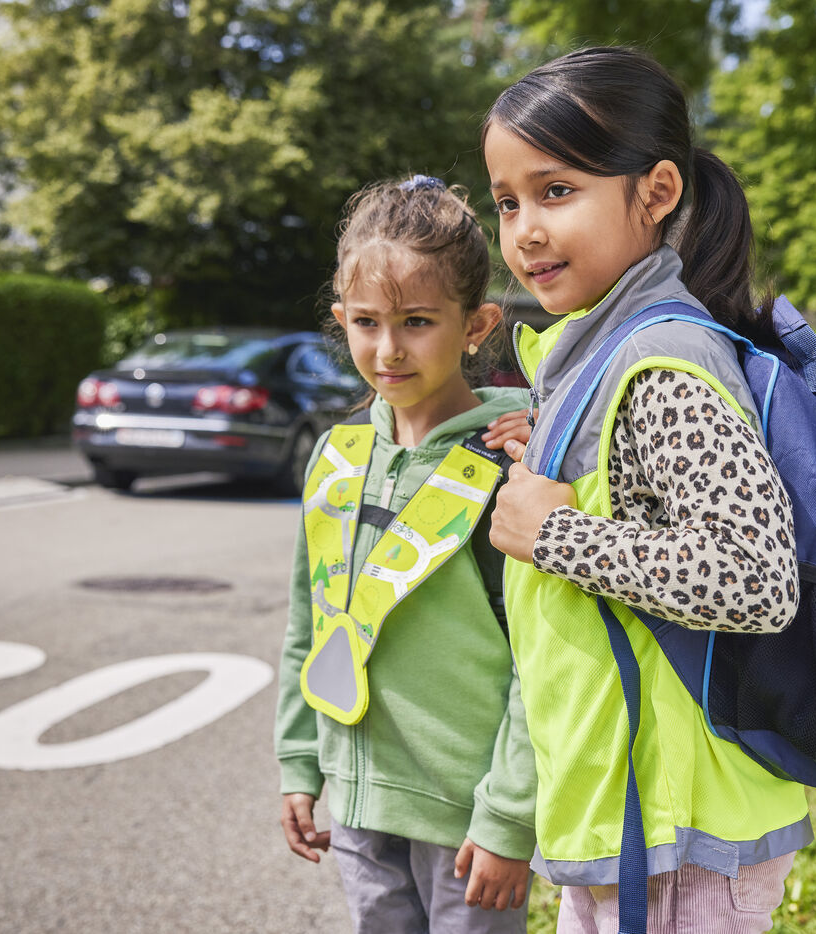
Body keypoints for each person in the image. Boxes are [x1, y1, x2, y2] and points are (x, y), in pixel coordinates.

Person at [481, 47, 810, 933]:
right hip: (630, 813)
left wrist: (558, 536)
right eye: (507, 202)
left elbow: (754, 575)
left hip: (681, 836)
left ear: (656, 192)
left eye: (556, 192)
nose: (524, 231)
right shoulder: (596, 351)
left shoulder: (665, 362)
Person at [274, 174, 538, 934]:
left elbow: (538, 659)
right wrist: (299, 763)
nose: (388, 350)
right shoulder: (335, 454)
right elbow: (309, 621)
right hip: (358, 798)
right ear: (341, 321)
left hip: (469, 817)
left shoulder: (509, 464)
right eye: (366, 322)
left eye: (417, 321)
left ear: (477, 323)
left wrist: (508, 817)